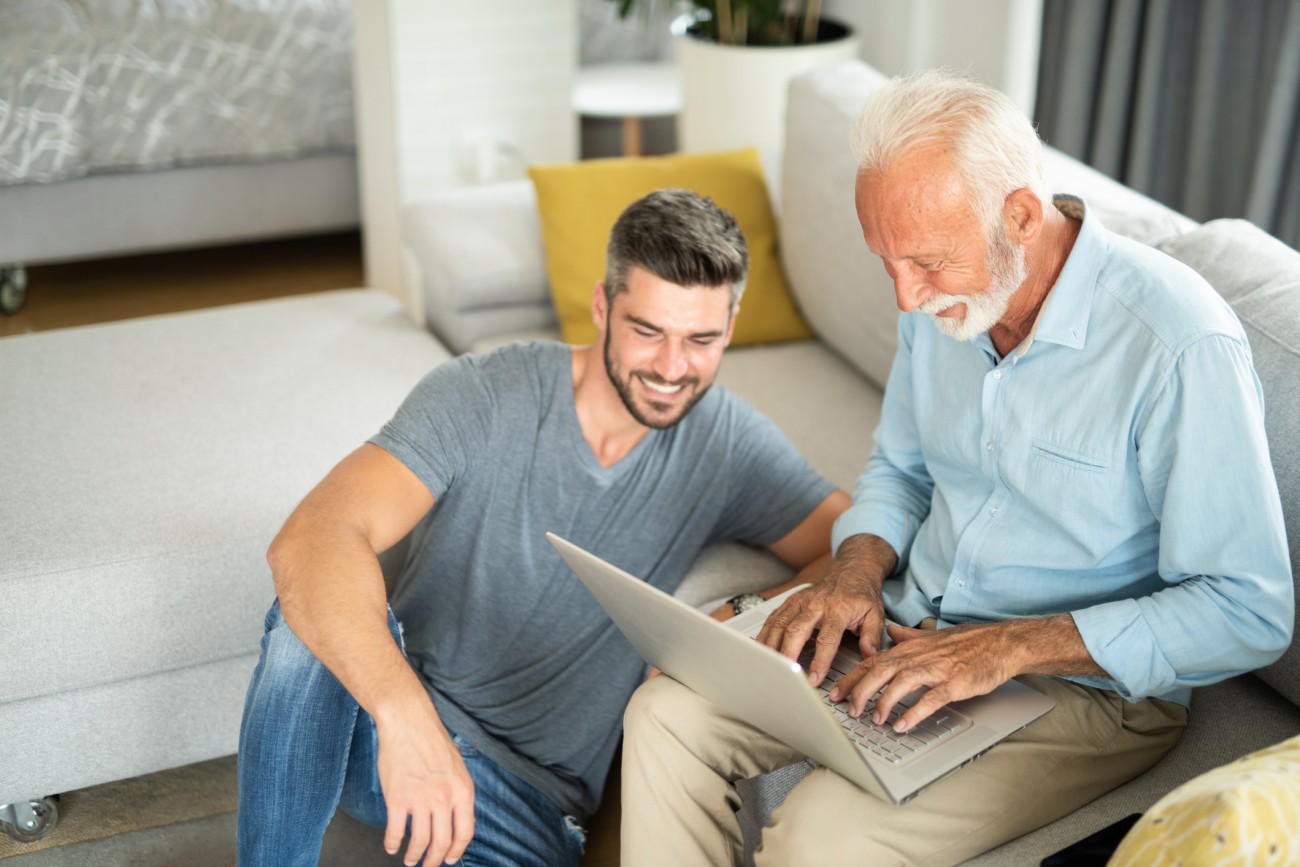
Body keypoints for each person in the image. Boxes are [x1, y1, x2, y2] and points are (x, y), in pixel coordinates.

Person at [619, 69, 1294, 866]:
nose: (907, 298)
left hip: (1075, 690)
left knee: (820, 838)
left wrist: (1001, 649)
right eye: (887, 262)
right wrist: (854, 569)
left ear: (1019, 215)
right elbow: (901, 470)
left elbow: (1249, 609)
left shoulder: (1178, 345)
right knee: (666, 712)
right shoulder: (943, 306)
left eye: (929, 262)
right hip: (904, 623)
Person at [234, 188, 848, 867]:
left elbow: (852, 543)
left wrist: (742, 613)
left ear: (729, 328)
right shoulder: (484, 392)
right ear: (601, 307)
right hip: (393, 729)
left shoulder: (726, 443)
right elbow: (311, 538)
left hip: (527, 804)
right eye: (648, 331)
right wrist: (406, 715)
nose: (673, 368)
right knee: (302, 626)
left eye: (700, 339)